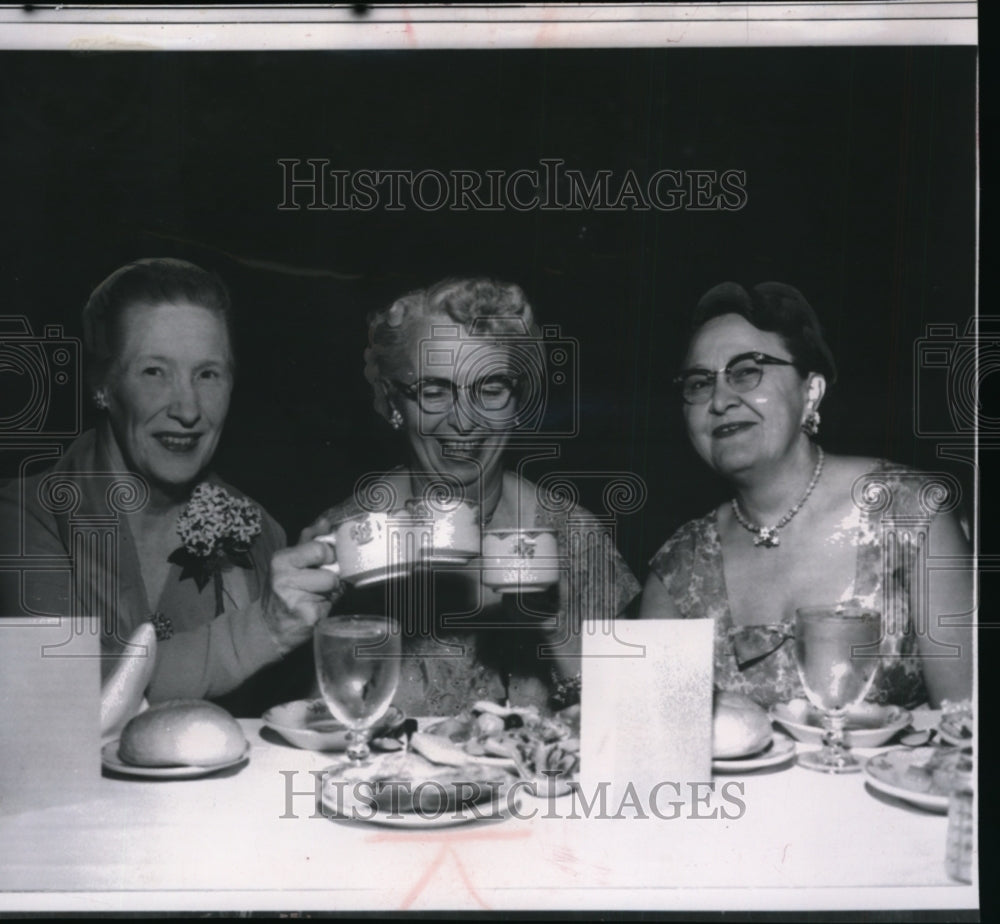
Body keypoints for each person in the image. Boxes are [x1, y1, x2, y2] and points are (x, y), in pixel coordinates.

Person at [0, 258, 337, 715]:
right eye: (154, 371)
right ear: (103, 385)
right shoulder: (26, 517)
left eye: (207, 374)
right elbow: (65, 703)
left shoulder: (260, 533)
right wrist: (264, 629)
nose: (188, 408)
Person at [306, 276, 641, 716]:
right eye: (434, 390)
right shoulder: (345, 538)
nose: (465, 421)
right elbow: (315, 728)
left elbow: (635, 731)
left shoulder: (575, 538)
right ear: (393, 402)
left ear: (517, 400)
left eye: (491, 388)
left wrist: (554, 628)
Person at [639, 281, 973, 709]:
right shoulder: (676, 571)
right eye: (700, 383)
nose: (720, 399)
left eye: (747, 371)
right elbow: (655, 749)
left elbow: (965, 737)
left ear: (810, 392)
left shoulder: (909, 513)